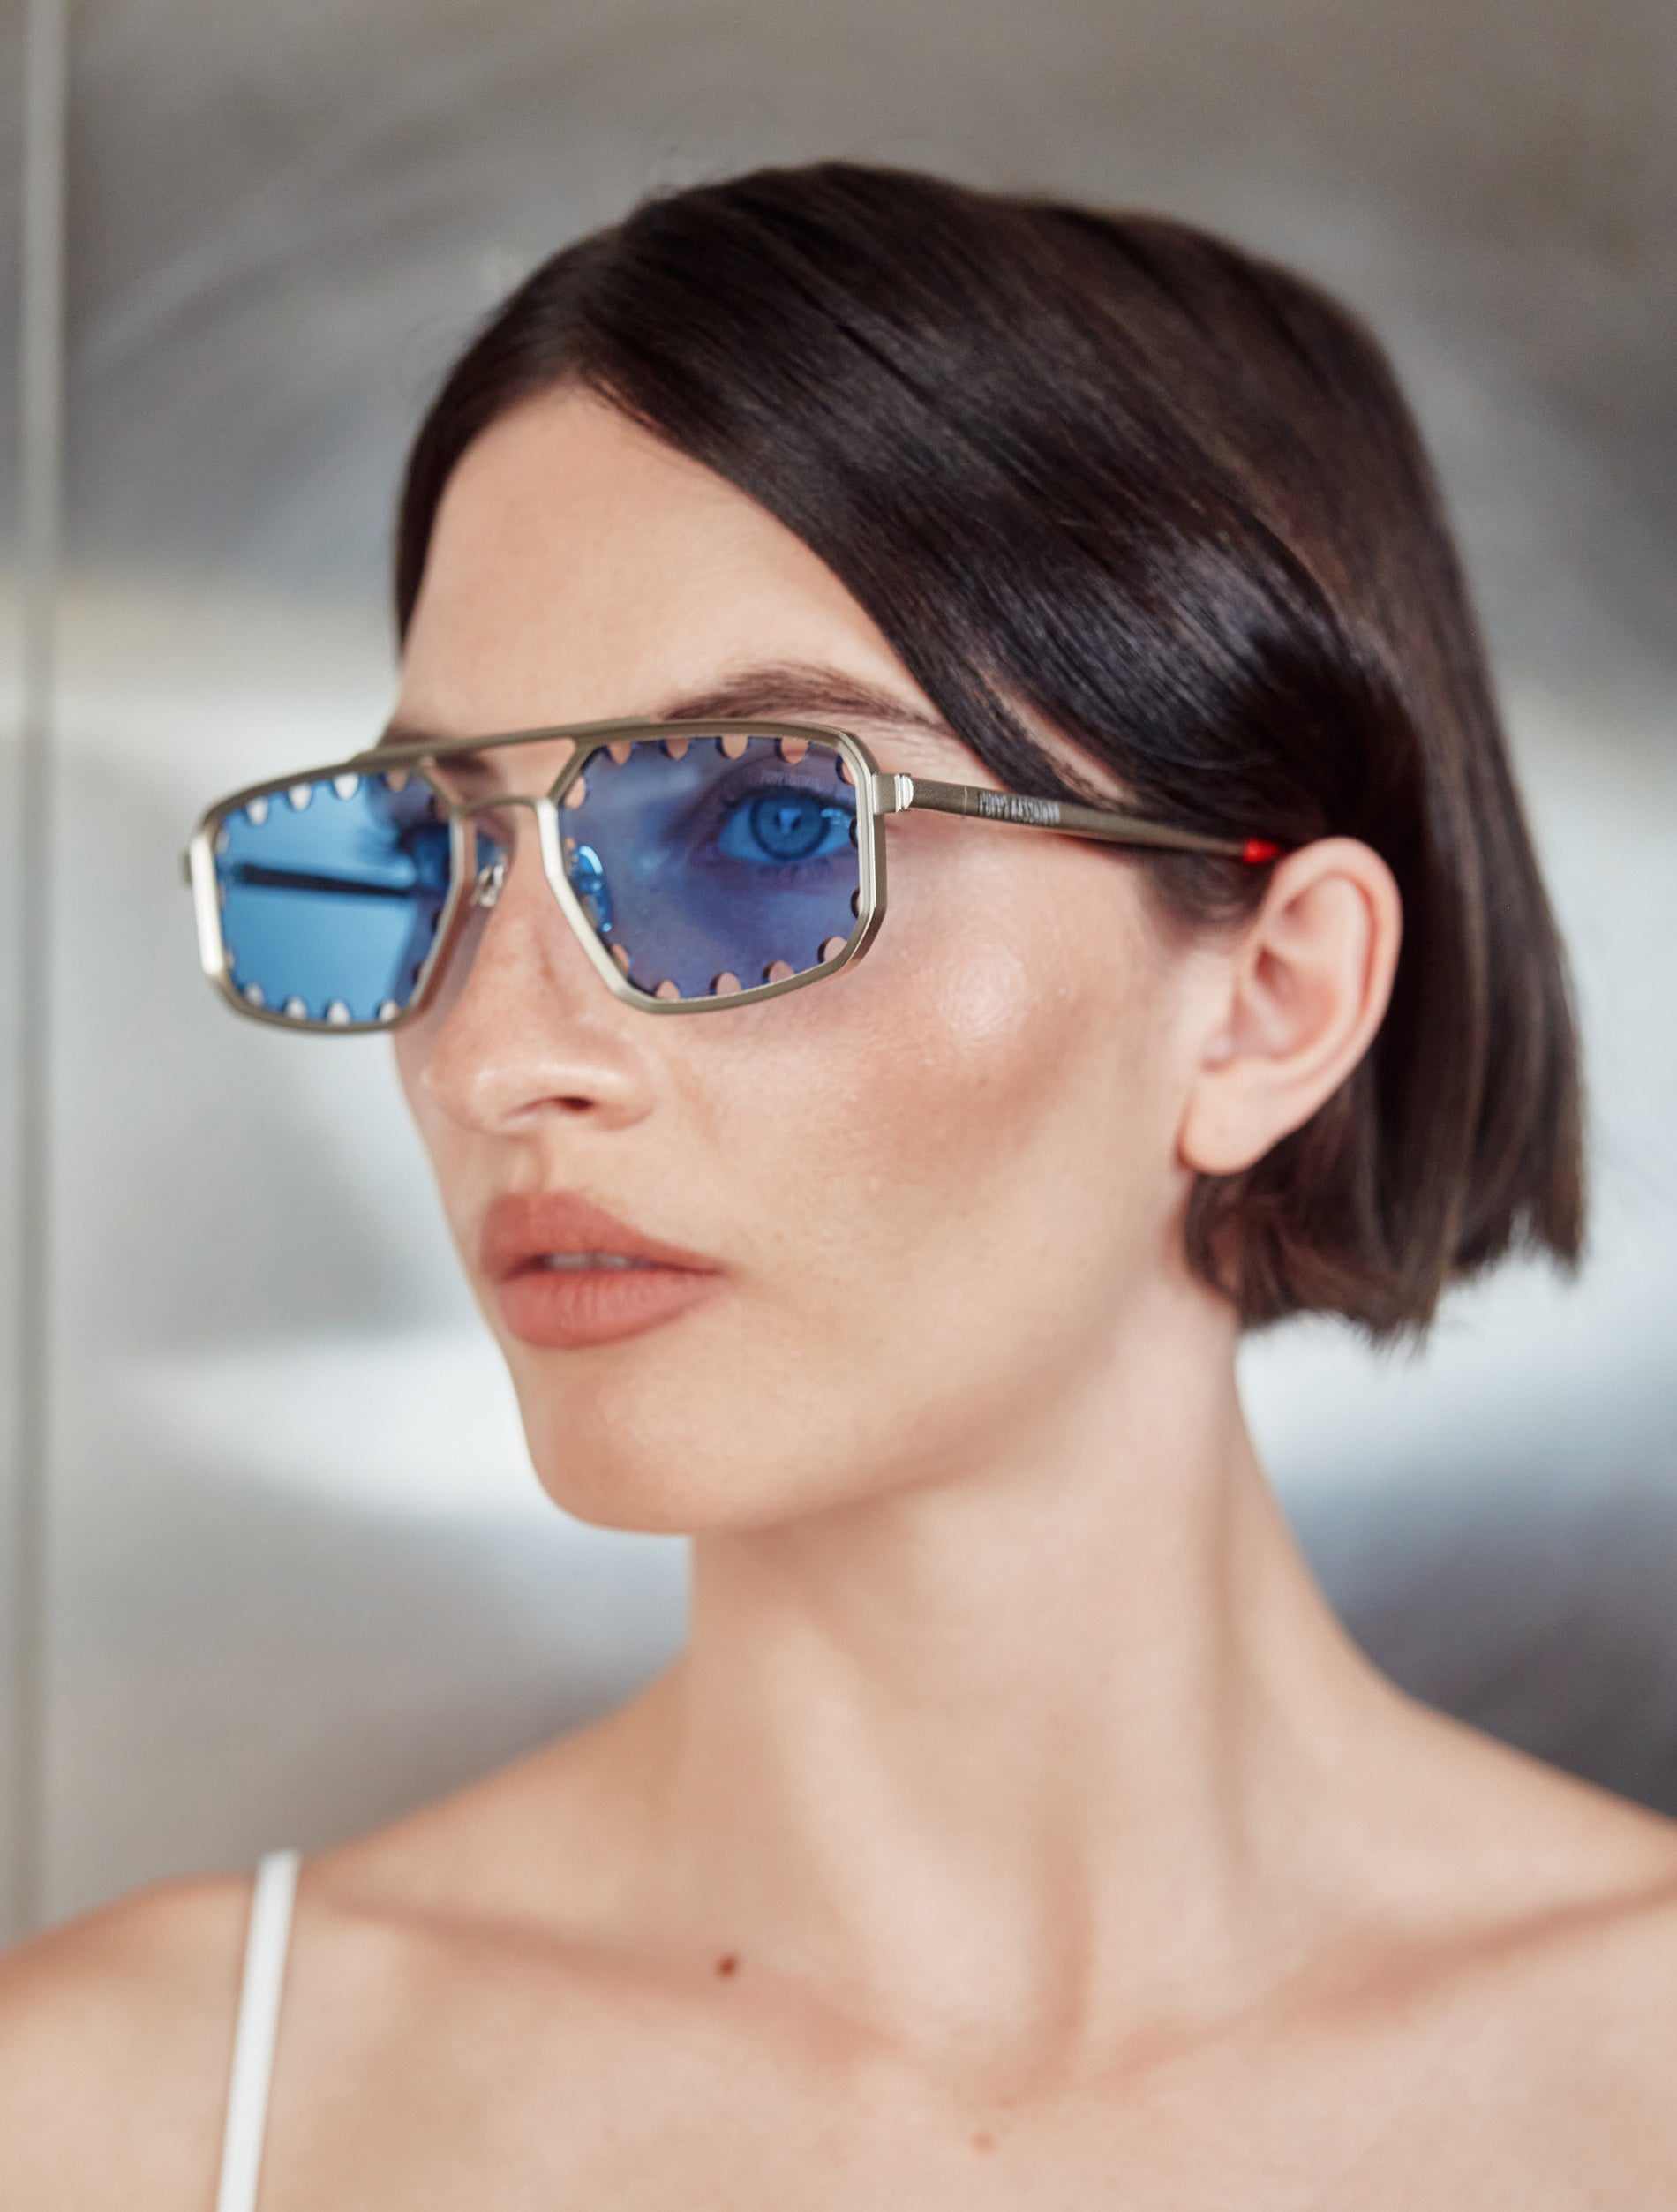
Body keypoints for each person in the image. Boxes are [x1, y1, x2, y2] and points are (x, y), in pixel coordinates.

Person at [3, 162, 1674, 2208]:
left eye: (766, 826)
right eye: (432, 849)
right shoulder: (122, 2121)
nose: (500, 1049)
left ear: (1269, 999)